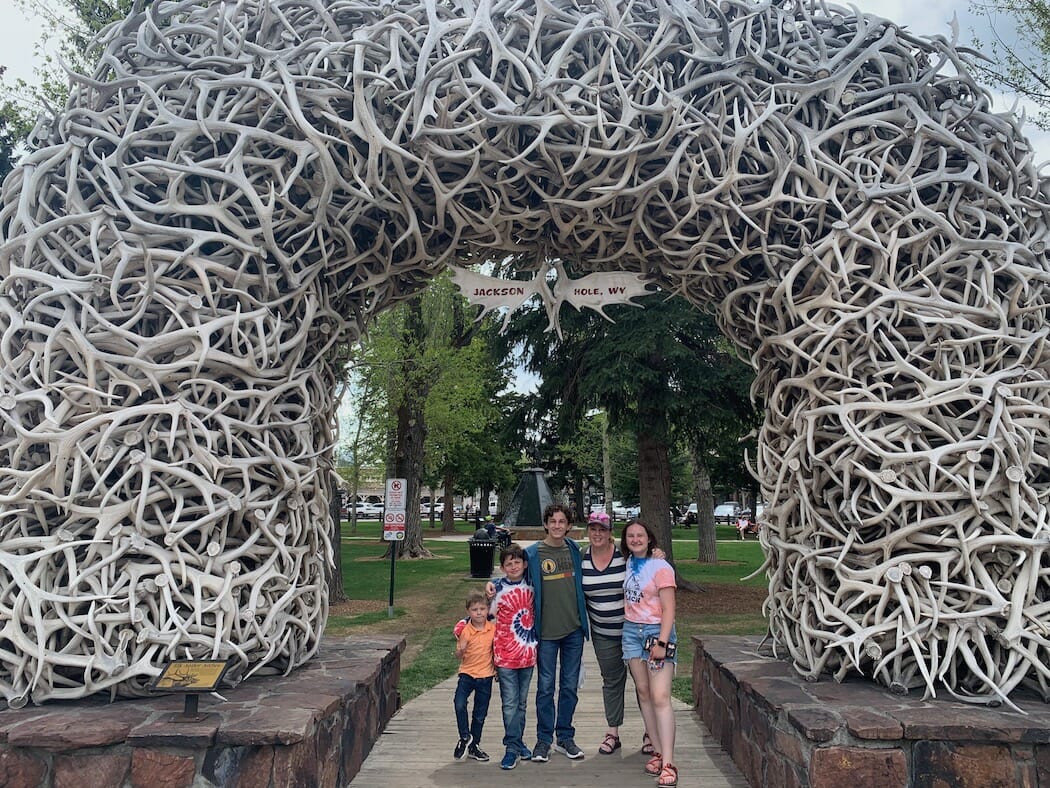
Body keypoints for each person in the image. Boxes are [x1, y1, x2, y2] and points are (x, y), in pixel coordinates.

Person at [582, 510, 660, 757]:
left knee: (643, 684)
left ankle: (651, 733)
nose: (597, 534)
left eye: (602, 529)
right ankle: (612, 732)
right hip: (602, 633)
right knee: (612, 681)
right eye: (593, 529)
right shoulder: (581, 558)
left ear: (609, 532)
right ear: (588, 531)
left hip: (633, 630)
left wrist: (658, 556)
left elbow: (649, 569)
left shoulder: (623, 556)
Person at [524, 503, 589, 762]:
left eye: (562, 522)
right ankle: (543, 740)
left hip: (573, 630)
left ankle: (565, 737)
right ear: (546, 524)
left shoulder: (575, 551)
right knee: (545, 688)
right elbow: (512, 574)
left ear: (569, 525)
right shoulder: (532, 554)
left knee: (569, 687)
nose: (558, 526)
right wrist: (492, 587)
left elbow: (609, 556)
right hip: (546, 633)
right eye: (553, 522)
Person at [622, 519, 679, 788]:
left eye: (640, 535)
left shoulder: (661, 566)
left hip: (656, 632)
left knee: (660, 696)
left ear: (650, 538)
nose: (635, 539)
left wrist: (663, 643)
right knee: (643, 692)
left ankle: (668, 762)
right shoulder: (628, 564)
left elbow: (669, 608)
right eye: (630, 536)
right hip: (632, 632)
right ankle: (656, 750)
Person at [489, 543, 537, 770]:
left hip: (527, 653)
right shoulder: (497, 589)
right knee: (509, 703)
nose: (514, 566)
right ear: (502, 567)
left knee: (521, 703)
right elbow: (488, 620)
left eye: (517, 562)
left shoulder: (532, 585)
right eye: (509, 563)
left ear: (525, 564)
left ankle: (518, 742)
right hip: (505, 654)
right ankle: (511, 746)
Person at [451, 590, 496, 763]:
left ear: (487, 611)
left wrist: (498, 670)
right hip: (467, 674)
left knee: (480, 714)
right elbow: (459, 654)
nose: (479, 613)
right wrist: (460, 651)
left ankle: (474, 746)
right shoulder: (466, 631)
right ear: (468, 612)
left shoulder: (492, 630)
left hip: (486, 677)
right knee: (459, 703)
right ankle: (464, 737)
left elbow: (496, 651)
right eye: (475, 609)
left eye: (482, 609)